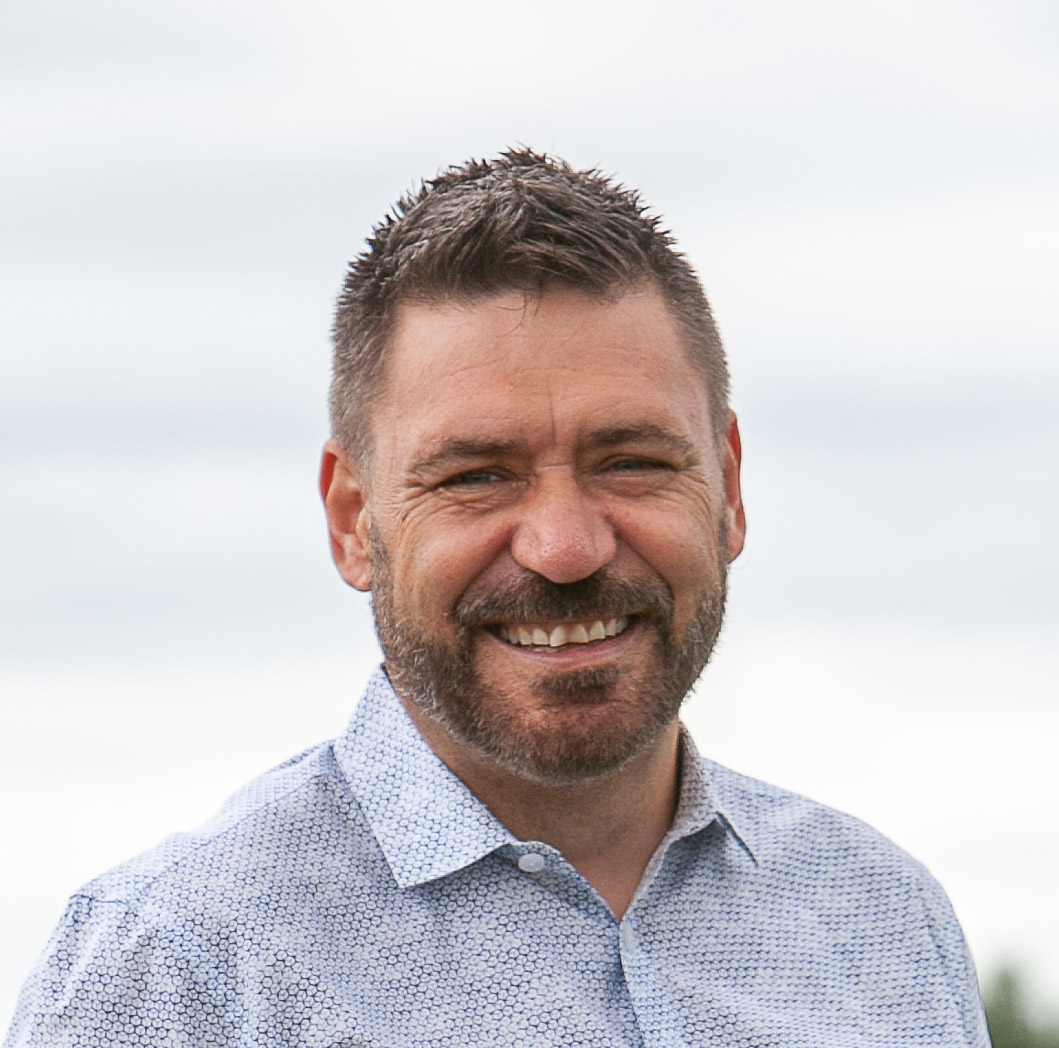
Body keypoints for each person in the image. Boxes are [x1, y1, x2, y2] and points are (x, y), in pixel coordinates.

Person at [6, 151, 991, 1047]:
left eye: (633, 461)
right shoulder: (180, 972)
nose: (565, 547)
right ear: (354, 520)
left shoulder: (887, 923)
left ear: (728, 487)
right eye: (477, 475)